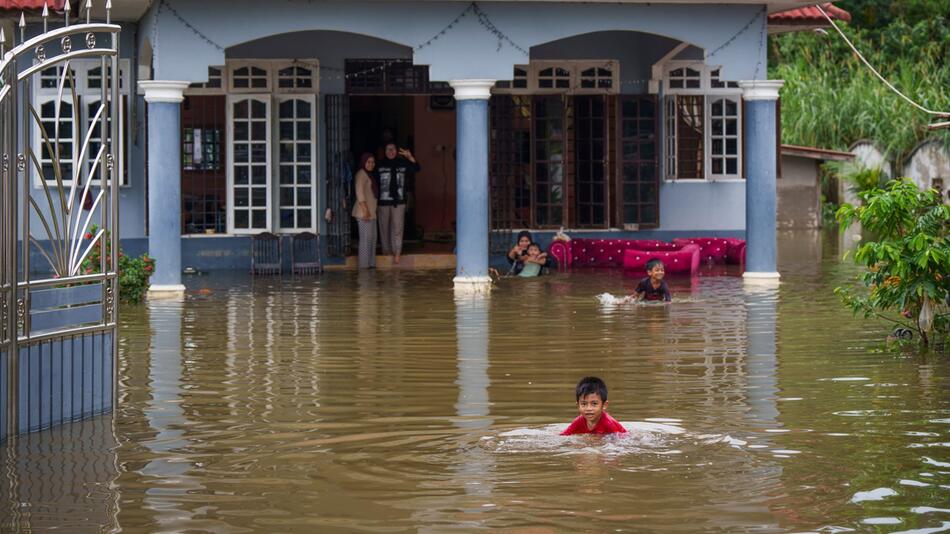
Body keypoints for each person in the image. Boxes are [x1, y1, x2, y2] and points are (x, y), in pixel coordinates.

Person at [376, 142, 420, 265]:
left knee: (397, 228)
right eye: (388, 149)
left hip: (399, 202)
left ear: (396, 150)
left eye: (393, 149)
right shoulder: (379, 164)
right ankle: (386, 252)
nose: (390, 151)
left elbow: (417, 168)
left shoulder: (403, 163)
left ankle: (397, 253)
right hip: (383, 202)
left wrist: (409, 157)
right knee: (384, 229)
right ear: (384, 151)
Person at [561, 376, 627, 435]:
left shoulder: (608, 424)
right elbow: (563, 436)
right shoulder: (579, 421)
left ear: (604, 405)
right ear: (578, 405)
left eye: (594, 404)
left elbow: (618, 441)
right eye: (584, 404)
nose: (588, 408)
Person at [352, 153, 378, 270]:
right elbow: (359, 193)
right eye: (368, 162)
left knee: (372, 239)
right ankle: (364, 267)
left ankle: (371, 264)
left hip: (371, 213)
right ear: (363, 162)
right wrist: (366, 211)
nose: (371, 164)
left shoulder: (369, 175)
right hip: (364, 213)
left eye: (372, 162)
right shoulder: (361, 174)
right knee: (365, 240)